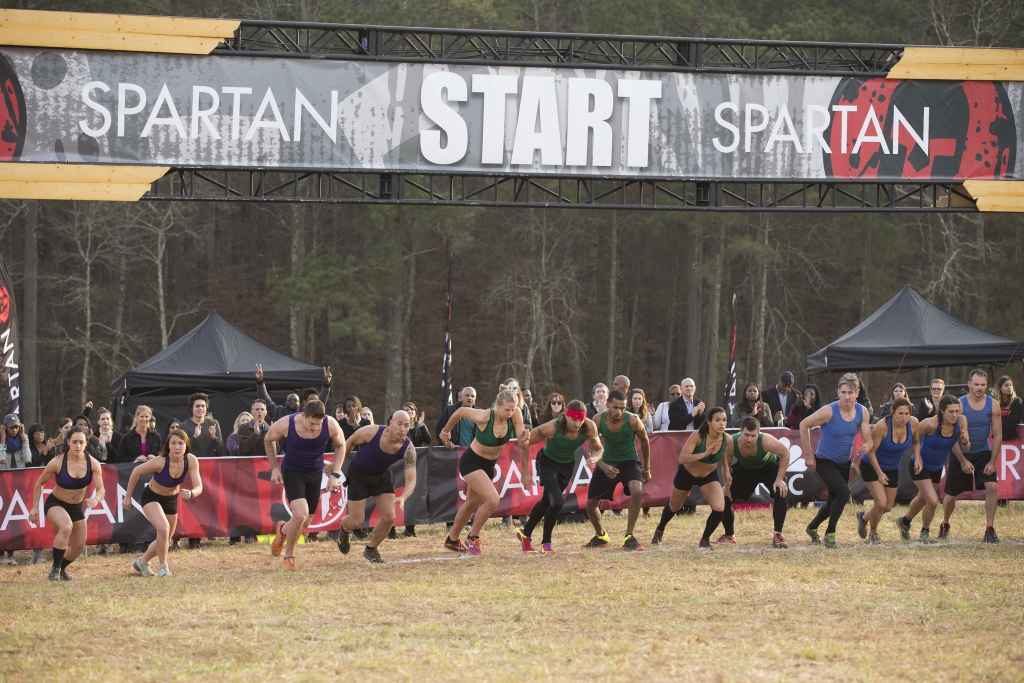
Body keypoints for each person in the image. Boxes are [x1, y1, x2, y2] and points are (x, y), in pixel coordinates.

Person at [439, 385, 527, 555]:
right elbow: (460, 412)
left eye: (513, 409)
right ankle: (473, 537)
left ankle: (452, 540)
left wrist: (523, 439)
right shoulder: (485, 415)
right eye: (506, 409)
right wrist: (445, 431)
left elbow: (522, 441)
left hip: (488, 465)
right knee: (493, 499)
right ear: (497, 406)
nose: (510, 412)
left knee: (471, 504)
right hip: (472, 461)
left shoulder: (515, 414)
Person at [263, 399, 346, 570]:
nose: (315, 427)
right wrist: (273, 469)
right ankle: (289, 556)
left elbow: (341, 444)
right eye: (311, 423)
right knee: (300, 515)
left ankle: (283, 530)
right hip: (293, 471)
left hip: (315, 473)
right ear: (303, 416)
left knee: (305, 521)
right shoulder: (287, 423)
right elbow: (268, 439)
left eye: (318, 424)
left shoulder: (330, 424)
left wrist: (336, 473)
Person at [516, 399, 603, 554]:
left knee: (546, 501)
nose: (577, 424)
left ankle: (526, 532)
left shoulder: (589, 426)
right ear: (566, 416)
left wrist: (594, 459)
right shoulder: (551, 427)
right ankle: (546, 543)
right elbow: (524, 444)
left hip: (567, 466)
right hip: (547, 463)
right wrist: (524, 472)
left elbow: (598, 449)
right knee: (557, 502)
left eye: (580, 420)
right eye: (574, 420)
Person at [799, 373, 872, 549]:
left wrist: (867, 445)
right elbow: (803, 425)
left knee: (833, 500)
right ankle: (830, 534)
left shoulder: (862, 412)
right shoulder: (828, 411)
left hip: (844, 463)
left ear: (857, 393)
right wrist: (809, 455)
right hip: (824, 461)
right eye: (844, 392)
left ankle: (812, 527)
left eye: (851, 392)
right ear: (838, 392)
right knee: (844, 494)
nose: (847, 396)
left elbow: (868, 439)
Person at [335, 411, 417, 564]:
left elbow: (411, 480)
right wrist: (337, 467)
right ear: (390, 423)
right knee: (356, 521)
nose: (402, 429)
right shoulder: (372, 431)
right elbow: (350, 441)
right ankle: (345, 529)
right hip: (359, 475)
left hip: (381, 476)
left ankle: (371, 549)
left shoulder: (408, 448)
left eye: (406, 425)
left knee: (389, 517)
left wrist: (403, 497)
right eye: (399, 424)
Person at [121, 428, 203, 577]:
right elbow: (136, 472)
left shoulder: (191, 460)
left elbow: (199, 486)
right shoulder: (160, 461)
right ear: (168, 445)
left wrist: (191, 493)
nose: (177, 447)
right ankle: (163, 567)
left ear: (186, 445)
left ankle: (142, 562)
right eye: (173, 443)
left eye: (180, 443)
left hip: (171, 499)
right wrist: (127, 497)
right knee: (164, 529)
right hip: (152, 497)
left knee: (165, 537)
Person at [28, 427, 105, 582]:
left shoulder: (93, 463)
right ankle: (54, 569)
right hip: (55, 503)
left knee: (78, 546)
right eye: (74, 442)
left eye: (81, 442)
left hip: (76, 507)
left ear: (86, 443)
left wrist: (96, 499)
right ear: (68, 442)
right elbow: (39, 483)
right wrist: (35, 507)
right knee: (66, 527)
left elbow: (101, 489)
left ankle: (61, 568)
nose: (78, 445)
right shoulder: (57, 462)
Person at [651, 407, 732, 549]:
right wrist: (704, 454)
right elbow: (682, 458)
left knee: (719, 508)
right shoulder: (698, 435)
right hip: (687, 474)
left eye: (724, 420)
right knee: (675, 506)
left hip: (708, 475)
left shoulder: (727, 438)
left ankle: (704, 540)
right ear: (709, 422)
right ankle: (660, 528)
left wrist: (726, 472)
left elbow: (723, 455)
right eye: (717, 420)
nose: (722, 424)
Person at [582, 389, 651, 552]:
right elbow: (592, 446)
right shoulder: (598, 419)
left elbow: (645, 440)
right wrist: (604, 466)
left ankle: (629, 536)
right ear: (607, 405)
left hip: (629, 461)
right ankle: (600, 535)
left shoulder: (633, 420)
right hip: (606, 461)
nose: (619, 411)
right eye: (615, 407)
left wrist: (647, 468)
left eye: (622, 408)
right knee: (590, 506)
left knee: (637, 490)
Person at [895, 395, 970, 543]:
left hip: (937, 467)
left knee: (923, 499)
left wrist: (965, 442)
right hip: (919, 466)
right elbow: (911, 437)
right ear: (942, 411)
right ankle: (925, 532)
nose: (955, 415)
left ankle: (905, 521)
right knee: (933, 501)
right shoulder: (931, 424)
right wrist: (917, 458)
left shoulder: (961, 421)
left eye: (957, 411)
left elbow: (966, 448)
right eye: (951, 411)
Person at [941, 369, 1002, 543]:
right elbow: (949, 435)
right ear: (968, 384)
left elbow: (997, 435)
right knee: (951, 495)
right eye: (976, 384)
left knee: (992, 488)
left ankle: (989, 529)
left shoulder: (993, 405)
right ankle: (945, 523)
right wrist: (962, 460)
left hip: (983, 452)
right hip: (960, 452)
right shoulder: (959, 405)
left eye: (983, 385)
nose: (979, 388)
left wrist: (992, 461)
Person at [719, 417, 792, 548]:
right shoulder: (731, 443)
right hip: (745, 470)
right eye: (746, 435)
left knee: (781, 492)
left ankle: (777, 535)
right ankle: (729, 535)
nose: (749, 439)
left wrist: (779, 479)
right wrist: (726, 485)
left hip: (768, 467)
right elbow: (726, 467)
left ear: (758, 434)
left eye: (753, 436)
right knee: (724, 497)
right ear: (740, 431)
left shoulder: (766, 440)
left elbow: (786, 453)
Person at [856, 397, 919, 545]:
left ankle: (864, 517)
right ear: (892, 412)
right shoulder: (882, 426)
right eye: (900, 413)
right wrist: (879, 473)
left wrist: (917, 458)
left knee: (888, 506)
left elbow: (916, 442)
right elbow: (870, 452)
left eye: (907, 413)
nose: (904, 417)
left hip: (892, 468)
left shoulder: (914, 423)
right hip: (872, 466)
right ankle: (873, 533)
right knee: (880, 503)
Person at [181, 392, 223, 549]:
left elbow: (220, 450)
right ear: (191, 409)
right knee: (193, 504)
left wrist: (214, 439)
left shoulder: (214, 423)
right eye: (197, 406)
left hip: (209, 471)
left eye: (203, 406)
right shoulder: (183, 426)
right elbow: (179, 450)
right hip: (189, 471)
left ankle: (207, 533)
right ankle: (193, 538)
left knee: (208, 503)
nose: (200, 409)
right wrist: (194, 438)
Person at [255, 364, 332, 422]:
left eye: (295, 400)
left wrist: (326, 384)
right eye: (290, 400)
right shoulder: (278, 411)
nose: (292, 402)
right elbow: (265, 399)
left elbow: (318, 404)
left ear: (300, 403)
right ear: (285, 402)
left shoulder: (304, 412)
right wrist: (260, 382)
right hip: (280, 443)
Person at [995, 375, 1022, 442]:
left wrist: (998, 420)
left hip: (1013, 437)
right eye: (1006, 385)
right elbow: (990, 418)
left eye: (1011, 385)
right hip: (996, 437)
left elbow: (1015, 418)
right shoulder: (993, 401)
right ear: (1000, 388)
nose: (1009, 387)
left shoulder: (1017, 401)